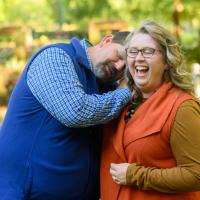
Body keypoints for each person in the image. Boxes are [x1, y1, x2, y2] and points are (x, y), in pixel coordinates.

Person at [0, 32, 131, 200]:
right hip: (23, 194)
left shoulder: (105, 86)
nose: (119, 67)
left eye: (127, 69)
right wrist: (128, 90)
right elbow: (75, 112)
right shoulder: (55, 57)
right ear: (106, 40)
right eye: (119, 56)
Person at [101, 20, 200, 200]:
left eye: (148, 51)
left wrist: (136, 175)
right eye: (133, 51)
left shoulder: (182, 107)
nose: (139, 57)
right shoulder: (120, 102)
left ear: (167, 61)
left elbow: (196, 174)